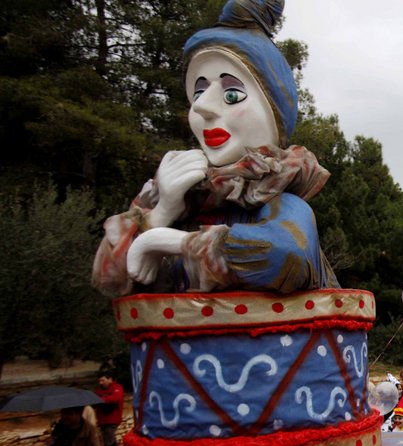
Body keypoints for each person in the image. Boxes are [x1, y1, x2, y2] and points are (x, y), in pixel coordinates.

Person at [92, 1, 338, 296]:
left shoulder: (275, 201)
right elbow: (108, 280)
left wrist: (165, 241)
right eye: (198, 90)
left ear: (274, 115)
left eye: (232, 93)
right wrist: (163, 211)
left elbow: (286, 254)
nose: (202, 106)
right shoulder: (182, 197)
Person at [93, 373, 124, 446]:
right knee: (111, 441)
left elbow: (116, 398)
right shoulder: (98, 390)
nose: (101, 382)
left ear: (110, 379)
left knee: (107, 443)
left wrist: (101, 399)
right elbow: (93, 401)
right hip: (102, 420)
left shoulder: (117, 387)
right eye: (99, 381)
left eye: (103, 380)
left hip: (112, 420)